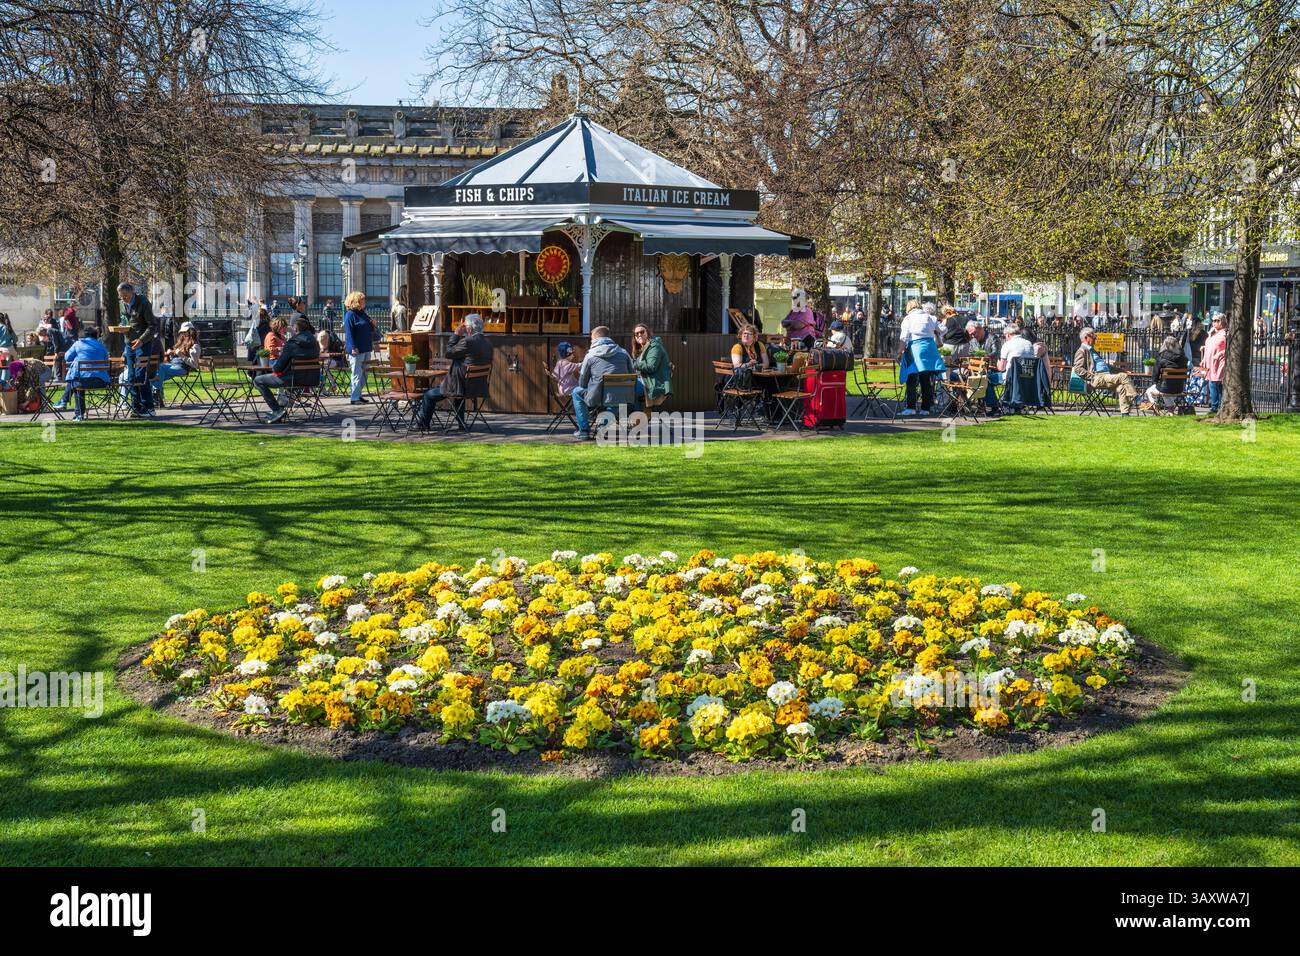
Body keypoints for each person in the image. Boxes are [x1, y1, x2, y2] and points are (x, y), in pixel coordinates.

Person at [414, 314, 494, 429]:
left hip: (460, 388)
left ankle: (423, 425)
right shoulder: (488, 344)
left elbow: (449, 353)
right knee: (458, 390)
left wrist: (456, 335)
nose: (465, 329)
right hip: (477, 387)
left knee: (428, 395)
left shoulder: (467, 342)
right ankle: (461, 423)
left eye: (466, 326)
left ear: (470, 329)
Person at [254, 315, 321, 424]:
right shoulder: (315, 344)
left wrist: (277, 366)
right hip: (312, 379)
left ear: (295, 328)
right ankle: (279, 408)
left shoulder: (292, 344)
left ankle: (277, 410)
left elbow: (277, 367)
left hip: (293, 379)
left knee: (258, 380)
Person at [571, 325, 633, 440]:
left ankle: (584, 430)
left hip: (598, 397)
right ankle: (603, 425)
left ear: (594, 338)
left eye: (591, 339)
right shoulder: (624, 353)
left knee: (576, 392)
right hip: (621, 397)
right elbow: (632, 373)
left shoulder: (590, 355)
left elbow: (582, 384)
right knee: (613, 397)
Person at [1073, 326, 1137, 415]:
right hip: (1097, 378)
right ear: (1086, 337)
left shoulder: (1093, 350)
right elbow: (1078, 369)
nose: (1096, 338)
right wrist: (1092, 377)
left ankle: (1125, 414)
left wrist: (1123, 370)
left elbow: (1107, 367)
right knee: (1123, 377)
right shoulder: (1082, 351)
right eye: (1094, 336)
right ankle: (1137, 400)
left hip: (1106, 376)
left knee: (1121, 387)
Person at [117, 281, 159, 416]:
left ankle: (148, 407)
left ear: (132, 292)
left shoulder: (143, 303)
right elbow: (125, 321)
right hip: (129, 343)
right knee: (131, 376)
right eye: (121, 296)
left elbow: (152, 326)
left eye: (126, 296)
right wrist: (121, 327)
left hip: (143, 343)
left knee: (140, 375)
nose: (124, 299)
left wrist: (141, 340)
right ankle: (136, 407)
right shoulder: (121, 304)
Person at [897, 300, 945, 415]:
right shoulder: (930, 318)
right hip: (929, 349)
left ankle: (911, 408)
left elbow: (903, 338)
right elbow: (943, 329)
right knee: (926, 380)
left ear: (909, 308)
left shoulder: (908, 319)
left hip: (915, 349)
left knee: (912, 379)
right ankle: (925, 408)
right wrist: (934, 332)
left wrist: (899, 352)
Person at [52, 327, 110, 420]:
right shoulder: (101, 345)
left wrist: (77, 359)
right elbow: (106, 360)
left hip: (82, 382)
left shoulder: (79, 343)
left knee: (75, 382)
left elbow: (67, 357)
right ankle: (64, 401)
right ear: (96, 336)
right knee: (76, 380)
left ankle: (77, 413)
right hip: (101, 381)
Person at [343, 290, 376, 405]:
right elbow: (349, 333)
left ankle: (358, 394)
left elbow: (369, 330)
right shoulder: (350, 315)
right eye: (362, 300)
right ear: (356, 301)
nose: (364, 302)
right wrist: (353, 347)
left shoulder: (363, 313)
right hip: (356, 349)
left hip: (366, 347)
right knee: (357, 373)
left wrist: (372, 325)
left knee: (365, 373)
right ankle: (354, 397)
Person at [1141, 335, 1189, 412]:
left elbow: (1155, 374)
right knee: (1165, 388)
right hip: (1179, 388)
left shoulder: (1161, 357)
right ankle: (1170, 410)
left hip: (1165, 388)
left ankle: (1155, 407)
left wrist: (1155, 381)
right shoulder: (1183, 358)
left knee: (1149, 390)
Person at [154, 321, 202, 399]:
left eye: (185, 332)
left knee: (160, 368)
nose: (183, 334)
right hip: (173, 365)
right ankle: (157, 398)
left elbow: (194, 364)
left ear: (191, 331)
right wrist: (171, 354)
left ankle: (158, 397)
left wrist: (181, 355)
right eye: (182, 332)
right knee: (154, 376)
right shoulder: (182, 342)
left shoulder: (195, 346)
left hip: (182, 368)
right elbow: (177, 356)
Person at [631, 323, 672, 409]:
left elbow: (651, 367)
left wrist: (634, 363)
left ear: (648, 333)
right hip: (645, 380)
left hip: (654, 383)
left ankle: (637, 417)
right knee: (625, 388)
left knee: (629, 390)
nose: (639, 335)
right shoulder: (642, 348)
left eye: (642, 332)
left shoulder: (654, 346)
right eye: (636, 334)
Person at [1202, 312, 1228, 413]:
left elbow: (1229, 348)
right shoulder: (1212, 333)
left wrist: (1220, 354)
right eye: (1213, 320)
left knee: (1214, 383)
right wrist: (1204, 358)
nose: (1214, 323)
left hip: (1219, 362)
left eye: (1217, 320)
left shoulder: (1225, 333)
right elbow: (1208, 346)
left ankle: (1215, 406)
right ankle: (1219, 405)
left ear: (1222, 322)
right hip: (1210, 362)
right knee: (1213, 383)